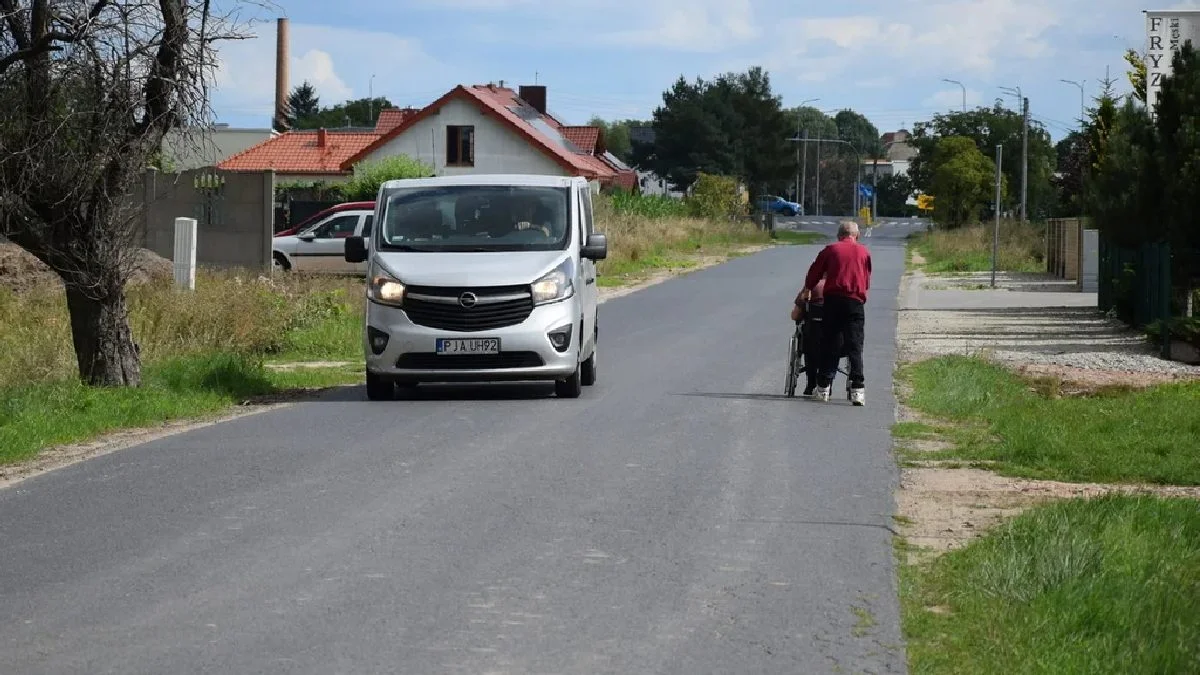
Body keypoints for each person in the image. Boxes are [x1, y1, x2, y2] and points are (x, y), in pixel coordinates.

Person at [798, 220, 872, 406]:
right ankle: (858, 389)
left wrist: (808, 289)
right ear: (857, 235)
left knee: (830, 342)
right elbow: (866, 278)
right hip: (855, 301)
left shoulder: (830, 250)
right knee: (855, 345)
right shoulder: (864, 252)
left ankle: (823, 387)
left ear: (838, 236)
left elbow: (814, 272)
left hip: (833, 301)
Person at [790, 278, 834, 397]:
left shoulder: (811, 286)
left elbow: (795, 315)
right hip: (833, 338)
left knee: (809, 344)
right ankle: (827, 383)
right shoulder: (839, 287)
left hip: (813, 334)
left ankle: (811, 384)